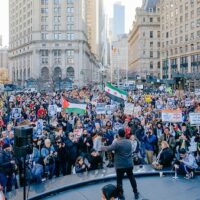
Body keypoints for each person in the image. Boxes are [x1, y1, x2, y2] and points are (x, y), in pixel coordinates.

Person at [101, 129, 139, 200]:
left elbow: (108, 148)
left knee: (119, 181)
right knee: (131, 178)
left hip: (120, 166)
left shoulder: (117, 143)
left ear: (118, 135)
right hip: (129, 164)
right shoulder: (129, 142)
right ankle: (136, 192)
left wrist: (99, 147)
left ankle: (121, 195)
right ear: (125, 134)